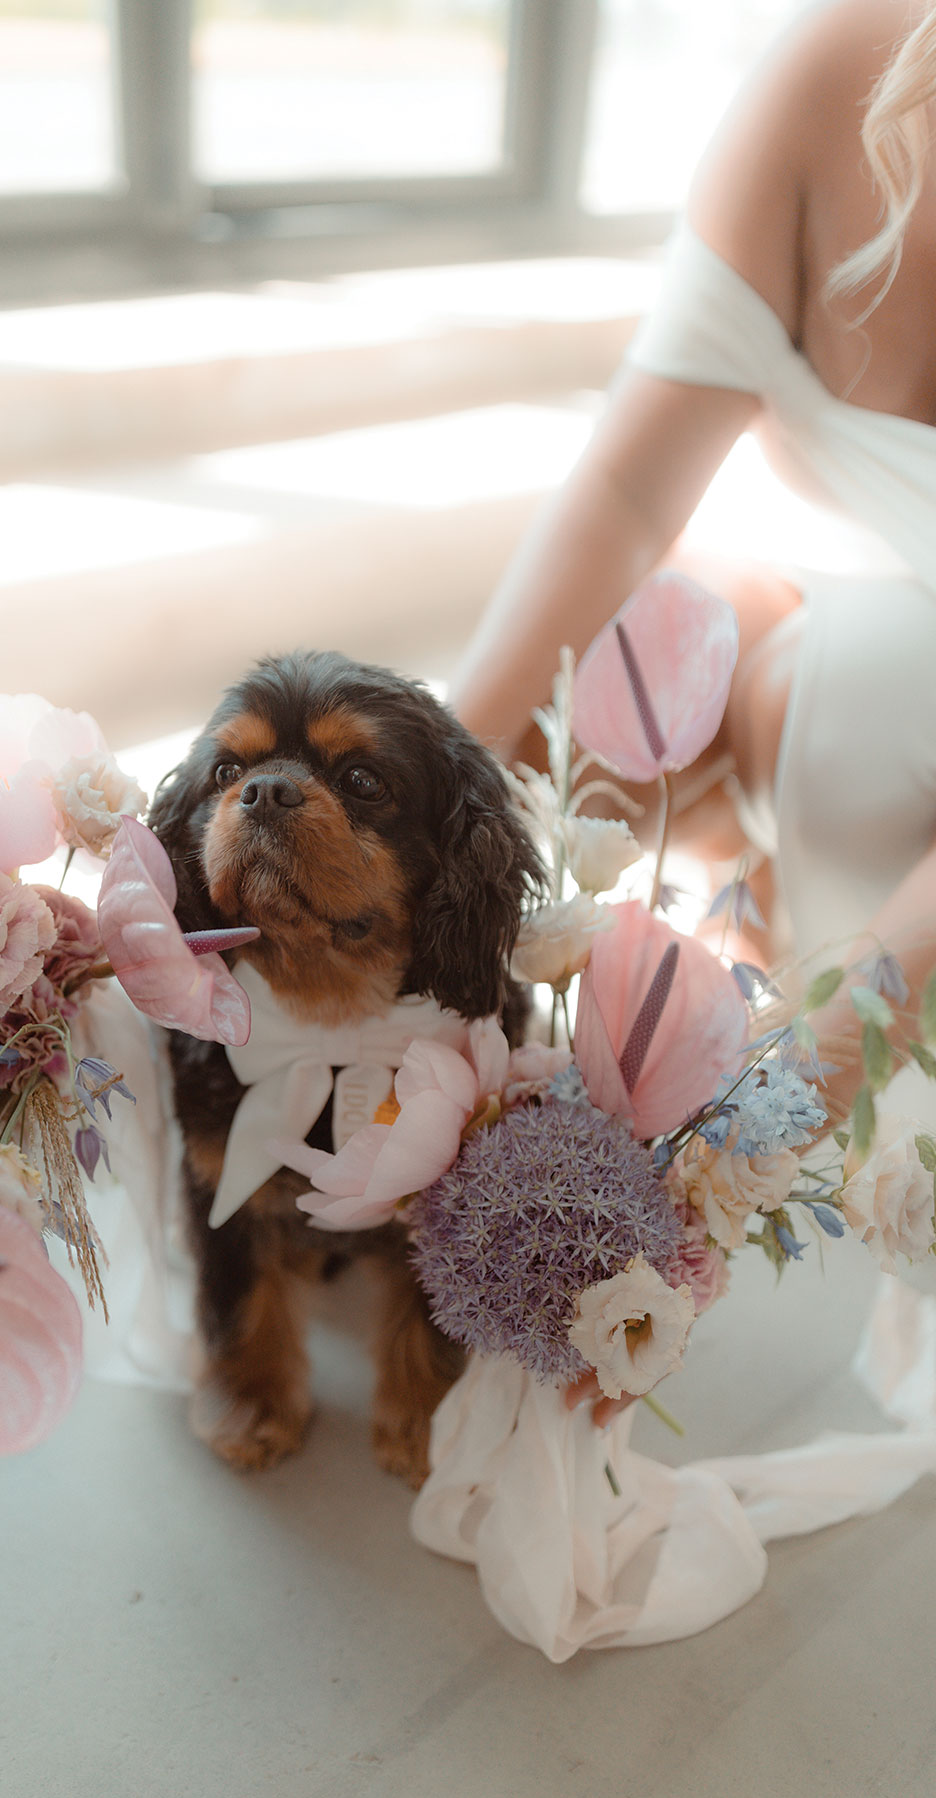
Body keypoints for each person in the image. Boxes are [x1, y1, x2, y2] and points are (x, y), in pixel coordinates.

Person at [450, 0, 936, 1125]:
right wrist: (420, 792)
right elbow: (627, 494)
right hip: (845, 655)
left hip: (886, 721)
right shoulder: (844, 60)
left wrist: (792, 1092)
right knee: (638, 656)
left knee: (878, 686)